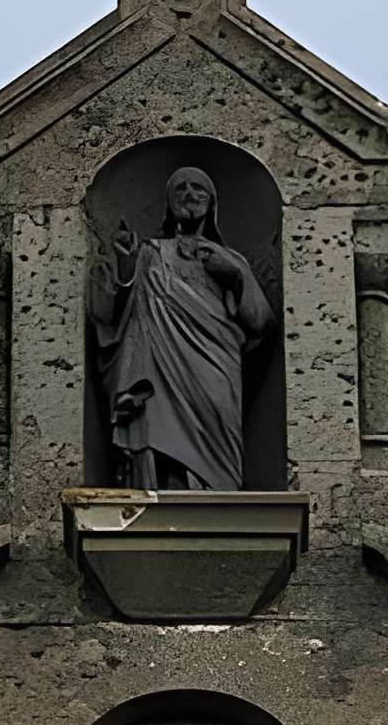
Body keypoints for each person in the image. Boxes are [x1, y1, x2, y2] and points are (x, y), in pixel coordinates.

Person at [89, 166, 273, 490]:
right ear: (170, 203)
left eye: (198, 189)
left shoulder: (231, 259)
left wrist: (234, 274)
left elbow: (260, 321)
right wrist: (128, 267)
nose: (190, 194)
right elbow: (117, 316)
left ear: (211, 203)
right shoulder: (149, 253)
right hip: (159, 365)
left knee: (219, 442)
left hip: (215, 367)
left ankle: (217, 502)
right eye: (181, 189)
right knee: (158, 428)